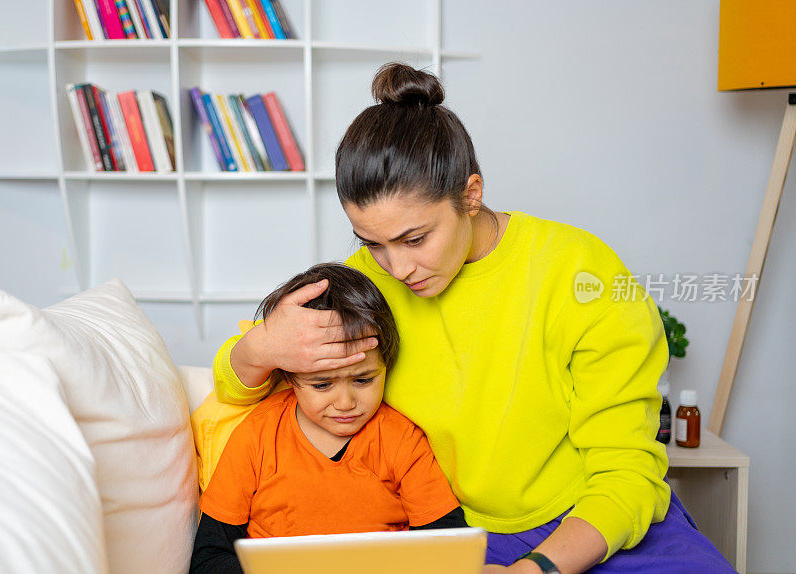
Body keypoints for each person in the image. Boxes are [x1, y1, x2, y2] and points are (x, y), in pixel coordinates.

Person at [211, 63, 735, 573]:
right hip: (450, 533)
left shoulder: (580, 271)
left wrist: (539, 568)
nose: (397, 267)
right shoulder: (367, 283)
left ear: (471, 193)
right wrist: (261, 347)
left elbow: (627, 472)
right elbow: (236, 388)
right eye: (373, 243)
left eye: (415, 239)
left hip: (592, 524)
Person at [190, 263, 467, 574]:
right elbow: (209, 558)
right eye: (322, 384)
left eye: (363, 380)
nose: (346, 403)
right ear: (289, 376)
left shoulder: (400, 438)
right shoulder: (256, 436)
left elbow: (447, 545)